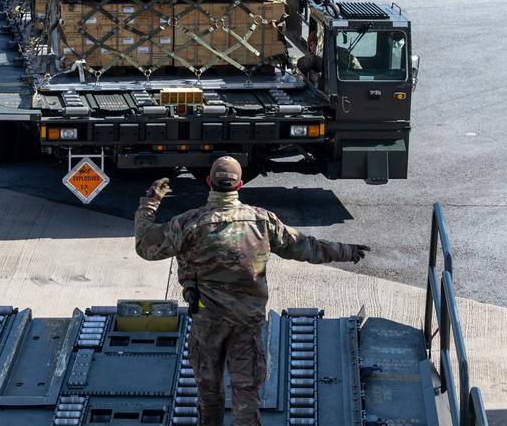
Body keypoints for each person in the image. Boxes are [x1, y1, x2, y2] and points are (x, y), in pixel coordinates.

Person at [134, 157, 370, 426]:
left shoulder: (188, 223)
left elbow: (145, 246)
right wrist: (346, 251)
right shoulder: (261, 221)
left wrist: (150, 203)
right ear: (240, 185)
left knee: (208, 392)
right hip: (247, 323)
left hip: (206, 321)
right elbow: (304, 246)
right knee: (246, 393)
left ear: (209, 182)